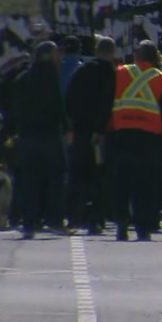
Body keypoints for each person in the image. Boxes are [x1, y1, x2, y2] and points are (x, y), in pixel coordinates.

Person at [108, 41, 162, 241]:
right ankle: (143, 226)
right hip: (150, 138)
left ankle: (122, 221)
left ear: (136, 56)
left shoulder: (119, 72)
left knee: (122, 181)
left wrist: (103, 130)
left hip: (122, 134)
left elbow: (107, 102)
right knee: (146, 184)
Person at [13, 41, 69, 239]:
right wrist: (66, 128)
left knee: (30, 180)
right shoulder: (50, 76)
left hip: (27, 136)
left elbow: (15, 109)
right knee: (56, 179)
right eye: (55, 54)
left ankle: (29, 222)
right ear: (47, 56)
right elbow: (57, 104)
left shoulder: (22, 78)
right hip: (49, 135)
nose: (59, 58)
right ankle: (54, 220)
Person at [64, 37, 117, 235]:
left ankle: (74, 217)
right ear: (112, 53)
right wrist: (100, 129)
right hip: (100, 134)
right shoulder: (110, 73)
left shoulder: (82, 70)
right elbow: (107, 102)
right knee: (99, 177)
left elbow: (68, 99)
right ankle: (96, 219)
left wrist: (72, 125)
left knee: (77, 175)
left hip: (80, 131)